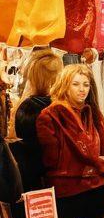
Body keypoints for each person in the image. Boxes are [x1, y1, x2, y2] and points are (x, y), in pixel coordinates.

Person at [36, 64, 104, 218]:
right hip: (66, 189)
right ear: (65, 85)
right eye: (76, 84)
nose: (82, 89)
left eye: (86, 84)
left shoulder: (93, 113)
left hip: (94, 186)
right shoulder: (50, 115)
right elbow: (50, 158)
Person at [11, 51, 64, 190]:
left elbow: (15, 134)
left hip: (27, 176)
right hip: (51, 177)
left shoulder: (26, 105)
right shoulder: (57, 108)